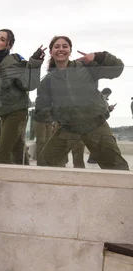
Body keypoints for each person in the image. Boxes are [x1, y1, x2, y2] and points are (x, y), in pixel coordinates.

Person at [36, 36, 129, 171]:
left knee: (115, 166)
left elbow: (117, 69)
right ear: (51, 52)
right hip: (69, 128)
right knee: (45, 162)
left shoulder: (86, 67)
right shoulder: (47, 81)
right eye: (57, 47)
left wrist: (99, 56)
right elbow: (40, 111)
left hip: (96, 124)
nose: (61, 49)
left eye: (65, 46)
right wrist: (61, 114)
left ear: (70, 50)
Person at [0, 30, 44, 165]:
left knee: (3, 153)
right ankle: (23, 176)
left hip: (15, 111)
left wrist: (35, 62)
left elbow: (29, 84)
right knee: (12, 148)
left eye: (2, 39)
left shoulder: (14, 60)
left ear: (8, 45)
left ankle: (12, 180)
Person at [88, 88, 116, 164]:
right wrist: (109, 109)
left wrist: (109, 109)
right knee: (98, 141)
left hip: (97, 122)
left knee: (97, 141)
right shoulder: (100, 100)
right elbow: (101, 113)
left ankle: (93, 158)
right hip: (97, 123)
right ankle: (92, 158)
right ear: (107, 93)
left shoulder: (97, 99)